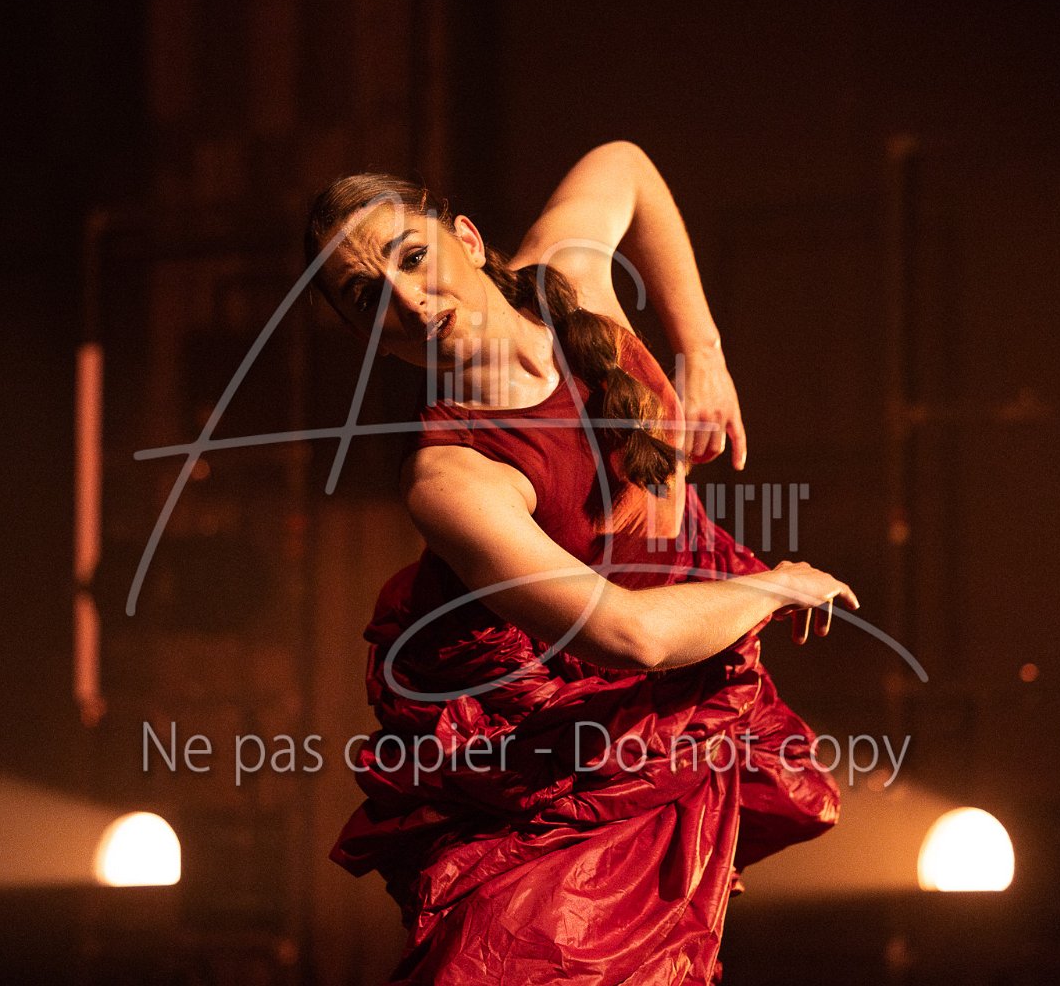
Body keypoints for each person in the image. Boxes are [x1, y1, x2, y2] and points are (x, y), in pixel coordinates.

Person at [306, 141, 859, 985]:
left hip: (672, 685)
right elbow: (628, 635)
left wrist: (702, 351)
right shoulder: (451, 477)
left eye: (413, 257)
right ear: (366, 339)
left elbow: (626, 166)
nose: (410, 299)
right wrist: (773, 585)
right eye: (369, 297)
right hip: (559, 753)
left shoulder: (570, 273)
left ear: (467, 237)